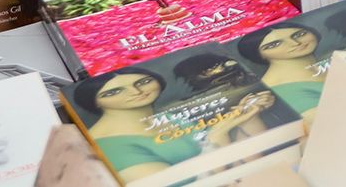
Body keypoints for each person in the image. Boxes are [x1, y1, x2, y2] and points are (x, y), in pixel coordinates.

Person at [69, 68, 275, 183]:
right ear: (95, 102)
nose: (135, 92)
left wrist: (247, 114)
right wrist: (216, 136)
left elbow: (247, 163)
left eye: (142, 82)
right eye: (113, 92)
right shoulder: (109, 146)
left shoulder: (171, 118)